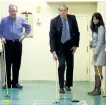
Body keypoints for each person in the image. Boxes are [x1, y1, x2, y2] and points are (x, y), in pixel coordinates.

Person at [49, 5, 80, 93]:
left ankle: (68, 85)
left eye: (64, 10)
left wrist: (76, 45)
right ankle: (61, 86)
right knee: (61, 65)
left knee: (70, 66)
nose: (62, 12)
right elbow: (52, 37)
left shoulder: (72, 18)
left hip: (70, 46)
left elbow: (77, 32)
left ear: (67, 11)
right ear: (58, 11)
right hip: (60, 47)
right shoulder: (54, 21)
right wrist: (53, 51)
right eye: (61, 10)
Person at [0, 4, 31, 89]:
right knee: (7, 64)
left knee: (17, 64)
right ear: (9, 11)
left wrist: (24, 36)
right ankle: (7, 83)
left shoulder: (21, 19)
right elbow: (0, 32)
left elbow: (28, 28)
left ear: (16, 11)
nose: (13, 13)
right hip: (7, 44)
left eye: (14, 11)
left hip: (17, 43)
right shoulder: (4, 20)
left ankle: (15, 83)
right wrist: (2, 38)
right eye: (11, 11)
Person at [88, 12, 106, 95]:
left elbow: (100, 41)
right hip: (96, 50)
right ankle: (95, 88)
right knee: (96, 70)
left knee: (98, 70)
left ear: (100, 19)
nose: (95, 20)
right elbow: (96, 39)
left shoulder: (101, 27)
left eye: (96, 19)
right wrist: (91, 42)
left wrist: (95, 53)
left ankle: (98, 90)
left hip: (100, 51)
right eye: (94, 19)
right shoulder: (95, 27)